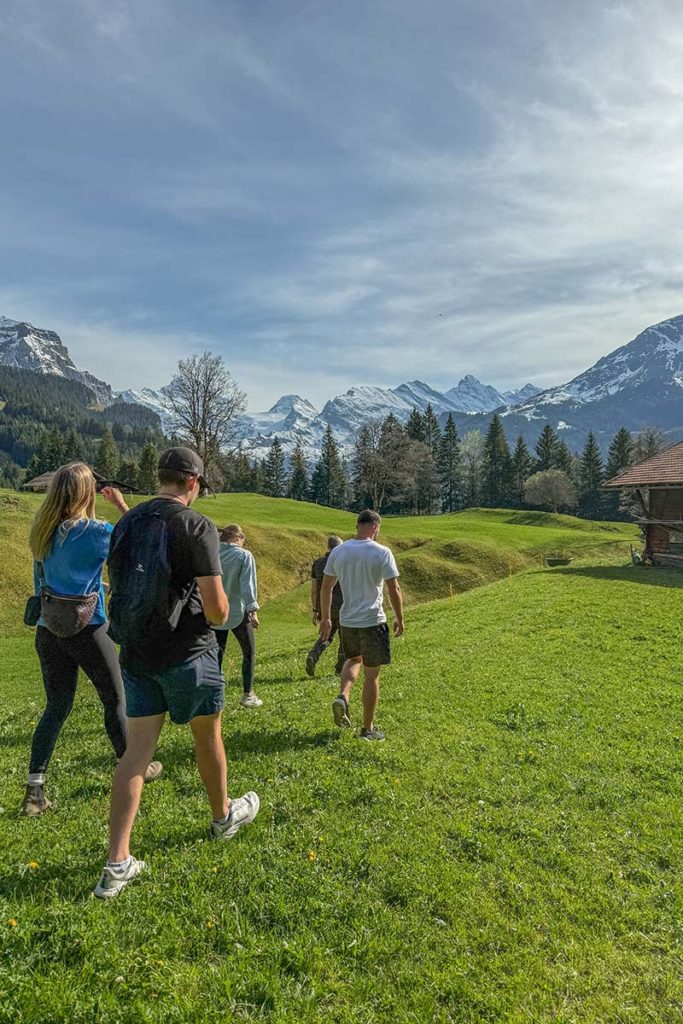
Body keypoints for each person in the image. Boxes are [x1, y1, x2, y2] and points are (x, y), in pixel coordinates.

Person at [93, 447, 259, 898]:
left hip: (136, 655)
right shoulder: (196, 524)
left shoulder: (127, 522)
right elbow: (218, 607)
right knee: (208, 737)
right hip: (189, 655)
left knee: (136, 756)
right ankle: (222, 817)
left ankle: (117, 862)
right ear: (192, 482)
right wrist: (223, 613)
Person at [23, 462, 162, 817]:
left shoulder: (42, 530)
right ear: (86, 493)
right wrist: (120, 505)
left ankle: (34, 790)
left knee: (56, 708)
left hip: (47, 627)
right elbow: (137, 541)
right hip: (88, 626)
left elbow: (50, 579)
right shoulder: (95, 531)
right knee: (114, 698)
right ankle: (135, 769)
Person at [319, 509, 403, 742]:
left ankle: (343, 696)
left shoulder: (338, 551)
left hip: (347, 621)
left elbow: (326, 587)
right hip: (372, 621)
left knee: (353, 659)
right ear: (375, 527)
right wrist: (400, 617)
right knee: (372, 675)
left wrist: (326, 618)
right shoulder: (382, 552)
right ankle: (367, 729)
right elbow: (393, 589)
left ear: (358, 525)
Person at [214, 524, 262, 708]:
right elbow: (247, 586)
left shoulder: (212, 553)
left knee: (217, 653)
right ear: (238, 538)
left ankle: (215, 694)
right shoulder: (243, 555)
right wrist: (253, 610)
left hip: (215, 610)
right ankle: (248, 694)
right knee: (248, 651)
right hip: (237, 611)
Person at [306, 535, 345, 678]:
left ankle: (313, 655)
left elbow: (314, 589)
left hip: (324, 605)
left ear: (328, 547)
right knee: (344, 637)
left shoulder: (317, 563)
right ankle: (340, 669)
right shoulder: (343, 562)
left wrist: (315, 610)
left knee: (326, 635)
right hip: (342, 604)